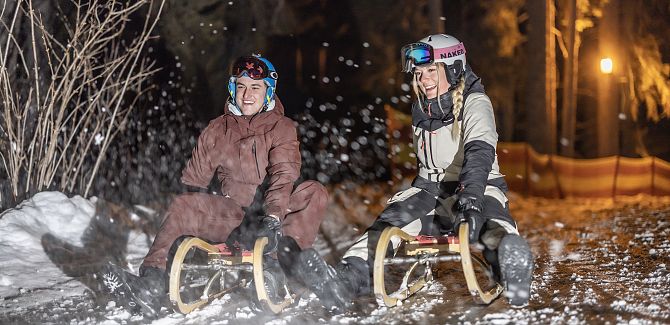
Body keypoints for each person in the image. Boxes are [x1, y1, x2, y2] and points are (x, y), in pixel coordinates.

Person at [297, 34, 534, 311]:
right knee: (388, 225)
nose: (423, 79)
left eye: (432, 70)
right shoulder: (423, 106)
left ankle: (512, 266)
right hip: (430, 191)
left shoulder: (475, 102)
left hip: (477, 185)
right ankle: (345, 281)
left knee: (490, 223)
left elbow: (479, 152)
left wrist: (470, 198)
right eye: (419, 73)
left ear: (454, 68)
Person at [100, 54, 329, 316]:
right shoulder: (217, 129)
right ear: (233, 89)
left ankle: (278, 268)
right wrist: (192, 218)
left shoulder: (282, 127)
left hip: (273, 219)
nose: (247, 94)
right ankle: (150, 286)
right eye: (241, 86)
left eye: (256, 87)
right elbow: (193, 182)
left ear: (268, 91)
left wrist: (273, 218)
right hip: (234, 216)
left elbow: (283, 174)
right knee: (183, 204)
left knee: (313, 191)